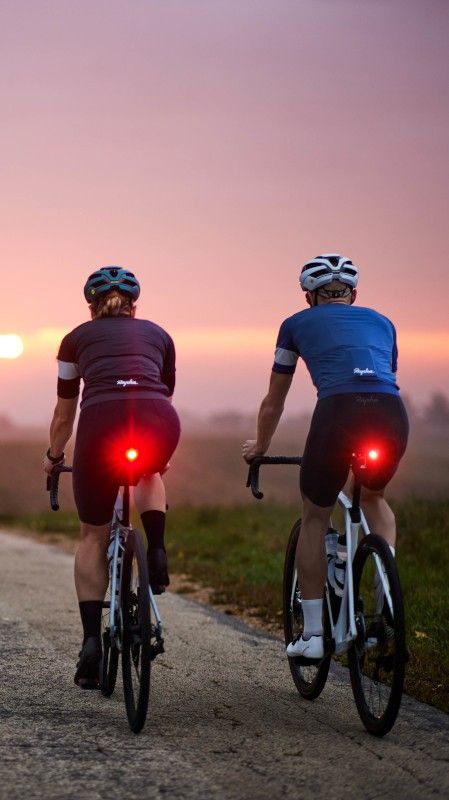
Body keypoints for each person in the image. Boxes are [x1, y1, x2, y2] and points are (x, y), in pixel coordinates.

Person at [242, 253, 408, 659]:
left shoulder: (294, 324)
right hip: (390, 412)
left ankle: (314, 635)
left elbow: (274, 401)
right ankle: (387, 599)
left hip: (337, 411)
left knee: (315, 515)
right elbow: (384, 376)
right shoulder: (384, 322)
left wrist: (260, 447)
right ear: (354, 294)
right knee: (373, 497)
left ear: (309, 297)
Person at [43, 267, 180, 688]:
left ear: (91, 305)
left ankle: (90, 644)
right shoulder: (159, 334)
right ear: (134, 305)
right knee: (150, 470)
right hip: (157, 418)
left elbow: (65, 415)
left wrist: (54, 457)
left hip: (100, 422)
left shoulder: (74, 340)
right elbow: (164, 390)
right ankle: (157, 549)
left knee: (92, 535)